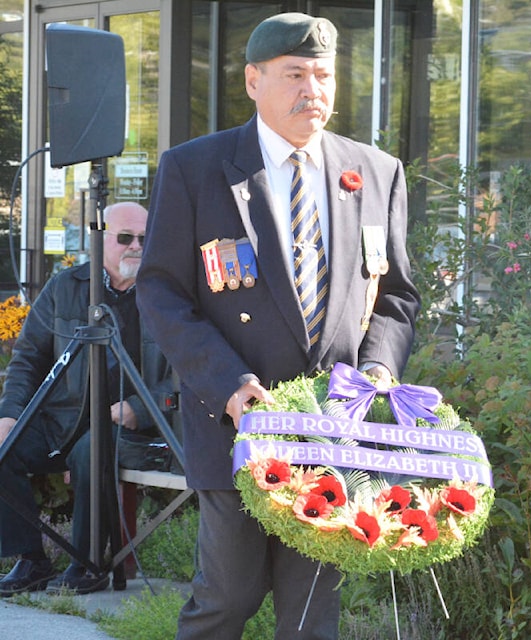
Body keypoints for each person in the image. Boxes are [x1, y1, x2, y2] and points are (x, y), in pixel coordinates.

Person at [135, 12, 420, 639]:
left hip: (331, 436)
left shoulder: (374, 171)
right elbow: (159, 291)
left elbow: (396, 294)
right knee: (227, 600)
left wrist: (376, 374)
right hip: (240, 424)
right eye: (294, 74)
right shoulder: (197, 168)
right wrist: (228, 381)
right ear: (252, 81)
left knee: (313, 617)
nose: (312, 89)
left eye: (323, 75)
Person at [0, 201, 177, 596]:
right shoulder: (65, 287)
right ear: (99, 242)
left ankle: (88, 561)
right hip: (59, 421)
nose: (136, 247)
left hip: (132, 430)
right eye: (125, 238)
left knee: (90, 449)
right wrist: (9, 415)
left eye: (145, 239)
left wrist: (140, 408)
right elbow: (28, 358)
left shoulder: (168, 294)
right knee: (2, 445)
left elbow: (186, 374)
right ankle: (32, 559)